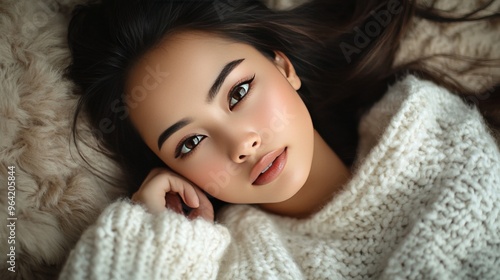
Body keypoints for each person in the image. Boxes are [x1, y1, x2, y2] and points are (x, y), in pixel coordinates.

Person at [61, 0, 500, 278]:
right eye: (190, 144)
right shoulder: (234, 266)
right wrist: (148, 235)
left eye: (238, 92)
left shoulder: (433, 136)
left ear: (284, 67)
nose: (241, 144)